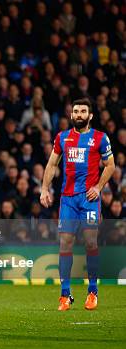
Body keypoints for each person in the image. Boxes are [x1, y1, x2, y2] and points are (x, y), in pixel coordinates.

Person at [40, 98, 115, 311]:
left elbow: (110, 165)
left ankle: (92, 291)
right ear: (71, 115)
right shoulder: (62, 138)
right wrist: (45, 189)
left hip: (89, 199)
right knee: (65, 243)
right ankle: (65, 295)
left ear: (90, 115)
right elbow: (52, 164)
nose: (79, 114)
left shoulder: (100, 138)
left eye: (83, 111)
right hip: (68, 200)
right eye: (76, 111)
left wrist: (99, 187)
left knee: (91, 242)